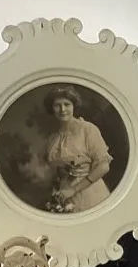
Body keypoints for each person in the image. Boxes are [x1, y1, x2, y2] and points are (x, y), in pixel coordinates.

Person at [41, 85, 112, 213]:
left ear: (74, 106)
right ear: (52, 108)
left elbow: (103, 166)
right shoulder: (53, 138)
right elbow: (54, 171)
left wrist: (73, 190)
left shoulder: (87, 129)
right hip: (64, 196)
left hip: (89, 192)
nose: (62, 109)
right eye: (57, 105)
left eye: (67, 104)